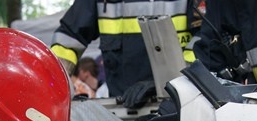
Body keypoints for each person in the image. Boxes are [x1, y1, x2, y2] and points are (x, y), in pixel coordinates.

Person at [51, 0, 204, 107]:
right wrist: (53, 81)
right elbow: (68, 38)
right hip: (121, 113)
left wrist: (168, 83)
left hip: (181, 109)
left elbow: (206, 42)